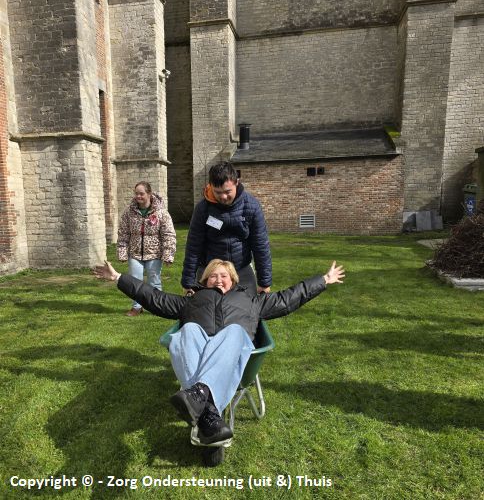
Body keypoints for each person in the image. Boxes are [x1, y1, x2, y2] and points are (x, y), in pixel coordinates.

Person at [93, 258, 345, 444]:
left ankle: (198, 396)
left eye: (224, 275)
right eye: (213, 276)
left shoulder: (251, 301)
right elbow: (154, 297)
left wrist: (323, 280)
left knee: (234, 331)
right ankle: (209, 413)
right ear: (204, 281)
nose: (218, 279)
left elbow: (288, 298)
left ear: (233, 280)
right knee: (187, 330)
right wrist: (119, 278)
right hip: (199, 351)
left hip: (233, 351)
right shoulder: (192, 301)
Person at [182, 161, 271, 295]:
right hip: (209, 271)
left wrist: (264, 282)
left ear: (236, 182)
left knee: (247, 307)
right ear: (210, 186)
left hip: (242, 269)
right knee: (207, 307)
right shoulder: (202, 209)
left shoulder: (252, 206)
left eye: (227, 191)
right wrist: (188, 282)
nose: (223, 197)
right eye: (217, 192)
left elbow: (260, 245)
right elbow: (194, 246)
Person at [117, 181, 176, 316]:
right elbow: (123, 233)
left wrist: (168, 254)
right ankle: (137, 307)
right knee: (135, 282)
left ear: (149, 194)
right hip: (135, 253)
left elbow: (169, 234)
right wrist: (122, 252)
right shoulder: (129, 212)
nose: (138, 196)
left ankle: (158, 307)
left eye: (141, 194)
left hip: (154, 253)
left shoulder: (161, 212)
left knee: (154, 281)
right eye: (136, 193)